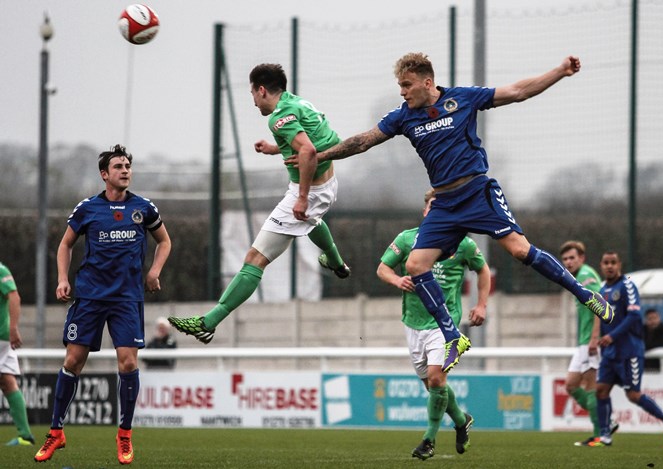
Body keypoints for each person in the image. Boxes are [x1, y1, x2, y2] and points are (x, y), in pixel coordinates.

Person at [285, 53, 614, 373]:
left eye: (406, 84)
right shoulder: (403, 116)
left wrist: (559, 71)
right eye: (400, 85)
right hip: (443, 204)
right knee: (414, 264)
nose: (402, 91)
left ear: (427, 82)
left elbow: (517, 92)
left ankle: (585, 295)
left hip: (476, 192)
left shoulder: (463, 99)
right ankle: (453, 335)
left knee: (519, 250)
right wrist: (320, 155)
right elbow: (362, 142)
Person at [168, 63, 350, 343]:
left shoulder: (279, 116)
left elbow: (309, 150)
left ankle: (208, 323)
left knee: (254, 259)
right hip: (328, 184)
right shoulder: (298, 103)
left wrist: (301, 197)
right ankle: (336, 262)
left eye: (252, 93)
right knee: (310, 220)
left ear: (262, 90)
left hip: (310, 191)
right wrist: (276, 148)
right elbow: (317, 140)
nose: (253, 100)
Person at [34, 144, 172, 465]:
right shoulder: (87, 209)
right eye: (119, 167)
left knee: (127, 364)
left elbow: (164, 240)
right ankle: (56, 432)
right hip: (90, 297)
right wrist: (62, 278)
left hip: (126, 299)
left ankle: (124, 435)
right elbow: (65, 244)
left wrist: (154, 271)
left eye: (127, 166)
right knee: (73, 361)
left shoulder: (144, 208)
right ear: (104, 175)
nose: (125, 170)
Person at [377, 189, 490, 460]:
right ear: (425, 210)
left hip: (445, 324)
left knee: (437, 378)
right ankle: (461, 420)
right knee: (432, 386)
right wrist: (396, 280)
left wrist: (482, 304)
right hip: (413, 323)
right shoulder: (407, 239)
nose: (435, 210)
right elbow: (382, 268)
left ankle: (428, 440)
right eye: (432, 206)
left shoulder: (461, 244)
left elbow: (482, 270)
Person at [589, 251, 663, 447]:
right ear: (601, 265)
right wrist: (596, 338)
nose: (610, 266)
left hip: (629, 351)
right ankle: (605, 435)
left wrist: (611, 336)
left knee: (633, 395)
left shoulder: (628, 285)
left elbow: (633, 317)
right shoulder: (602, 288)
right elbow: (599, 316)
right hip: (610, 353)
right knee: (601, 390)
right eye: (606, 262)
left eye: (613, 262)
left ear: (620, 264)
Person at [558, 241, 618, 446]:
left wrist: (594, 337)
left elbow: (598, 303)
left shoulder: (586, 276)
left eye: (572, 258)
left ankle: (600, 433)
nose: (568, 262)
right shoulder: (578, 277)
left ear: (581, 258)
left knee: (590, 386)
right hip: (583, 341)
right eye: (565, 259)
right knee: (571, 385)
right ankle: (606, 423)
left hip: (590, 341)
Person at [0, 261, 34, 447]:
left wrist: (13, 328)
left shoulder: (1, 270)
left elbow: (14, 297)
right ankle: (25, 435)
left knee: (7, 381)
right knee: (7, 381)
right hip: (3, 337)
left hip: (1, 335)